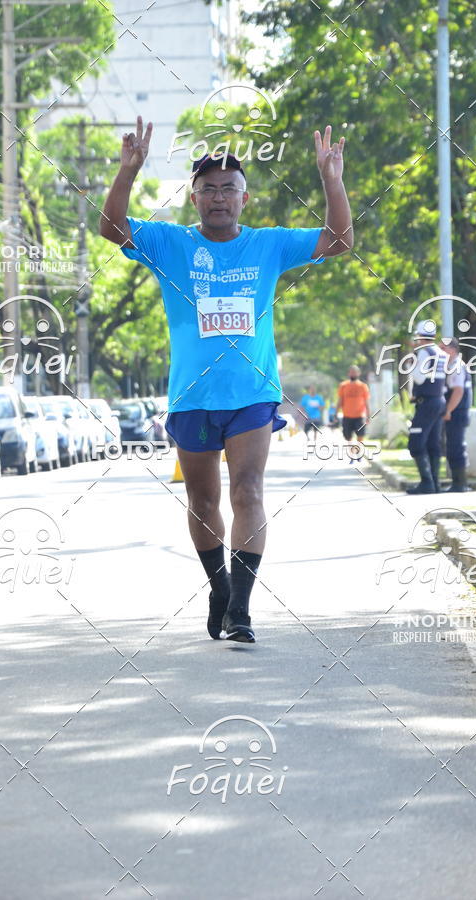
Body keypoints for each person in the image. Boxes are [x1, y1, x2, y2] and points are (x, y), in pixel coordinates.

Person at [100, 117, 353, 642]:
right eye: (209, 189)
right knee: (202, 501)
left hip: (252, 395)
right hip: (193, 397)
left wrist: (332, 180)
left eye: (229, 189)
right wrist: (127, 172)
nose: (219, 197)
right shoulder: (169, 243)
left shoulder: (268, 245)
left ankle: (240, 608)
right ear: (193, 199)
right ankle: (219, 588)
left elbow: (338, 241)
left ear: (244, 198)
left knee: (248, 490)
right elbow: (112, 228)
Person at [406, 320, 447, 494]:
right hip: (439, 401)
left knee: (416, 442)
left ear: (419, 337)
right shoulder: (441, 353)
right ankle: (435, 484)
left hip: (427, 403)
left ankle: (427, 482)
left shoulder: (425, 352)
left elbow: (419, 377)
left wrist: (410, 364)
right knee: (433, 443)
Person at [439, 337, 472, 492]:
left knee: (456, 447)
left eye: (443, 348)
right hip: (455, 412)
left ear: (452, 350)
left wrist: (448, 410)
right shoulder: (451, 365)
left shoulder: (456, 366)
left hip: (457, 413)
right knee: (452, 446)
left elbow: (458, 391)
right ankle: (457, 482)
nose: (440, 352)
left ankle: (460, 484)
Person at [336, 365, 370, 443]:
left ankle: (358, 448)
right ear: (348, 373)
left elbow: (366, 402)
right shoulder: (343, 386)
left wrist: (368, 415)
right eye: (351, 372)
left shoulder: (363, 386)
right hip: (347, 416)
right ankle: (351, 448)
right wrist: (336, 413)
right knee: (347, 436)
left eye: (354, 372)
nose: (353, 374)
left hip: (359, 416)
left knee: (361, 435)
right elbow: (340, 401)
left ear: (358, 373)